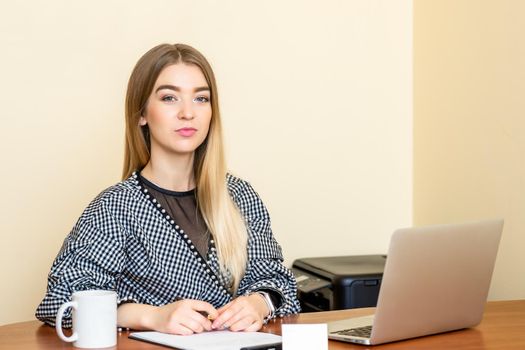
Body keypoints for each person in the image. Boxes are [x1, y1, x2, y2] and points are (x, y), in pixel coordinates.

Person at [35, 43, 300, 334]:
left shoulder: (239, 196)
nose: (188, 113)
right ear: (142, 114)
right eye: (169, 97)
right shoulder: (116, 206)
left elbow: (278, 279)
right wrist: (151, 316)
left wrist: (258, 303)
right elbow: (60, 300)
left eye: (201, 99)